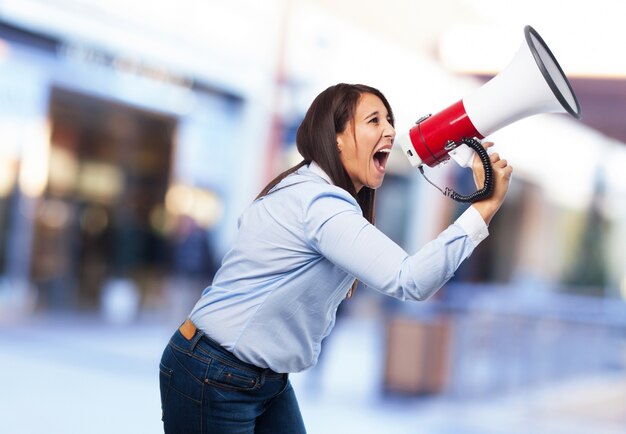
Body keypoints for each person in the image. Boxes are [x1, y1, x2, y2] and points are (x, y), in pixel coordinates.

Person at [158, 83, 513, 433]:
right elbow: (411, 279)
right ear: (337, 137)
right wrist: (482, 209)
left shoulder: (312, 192)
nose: (390, 130)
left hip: (257, 378)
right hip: (214, 373)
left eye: (389, 120)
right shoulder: (320, 202)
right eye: (374, 121)